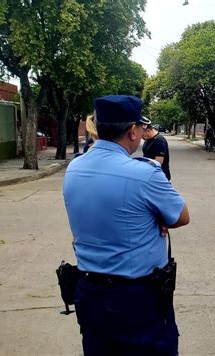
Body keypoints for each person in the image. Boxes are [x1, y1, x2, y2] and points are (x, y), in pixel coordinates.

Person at [63, 95, 190, 355]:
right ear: (132, 131)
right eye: (140, 127)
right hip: (135, 296)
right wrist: (154, 218)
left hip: (88, 291)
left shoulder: (74, 168)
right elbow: (181, 217)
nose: (143, 132)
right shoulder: (143, 173)